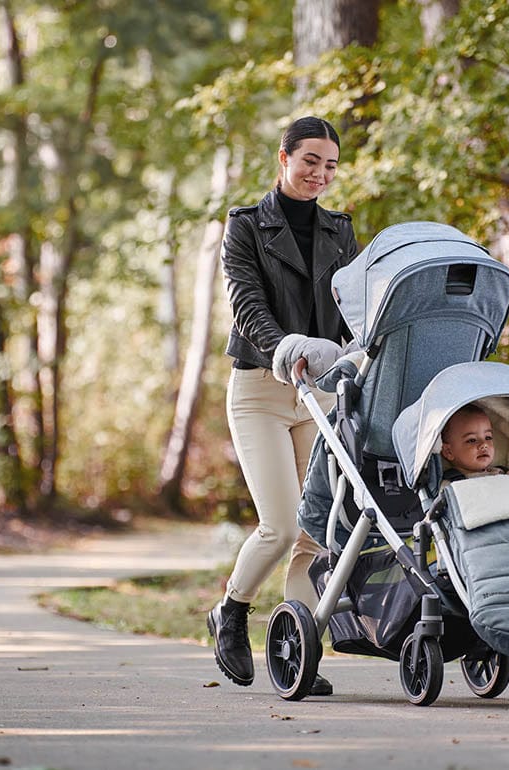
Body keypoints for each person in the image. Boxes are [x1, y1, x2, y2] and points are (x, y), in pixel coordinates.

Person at [207, 116, 358, 695]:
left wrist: (353, 355)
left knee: (314, 534)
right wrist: (287, 347)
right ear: (284, 158)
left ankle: (299, 652)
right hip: (263, 391)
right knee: (281, 523)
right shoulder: (244, 226)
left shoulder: (339, 229)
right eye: (310, 160)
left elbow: (348, 306)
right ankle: (232, 612)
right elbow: (247, 304)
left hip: (319, 394)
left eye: (330, 165)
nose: (320, 173)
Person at [439, 404, 509, 479]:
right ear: (448, 452)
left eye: (488, 437)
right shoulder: (449, 485)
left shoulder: (503, 473)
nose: (484, 444)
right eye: (472, 440)